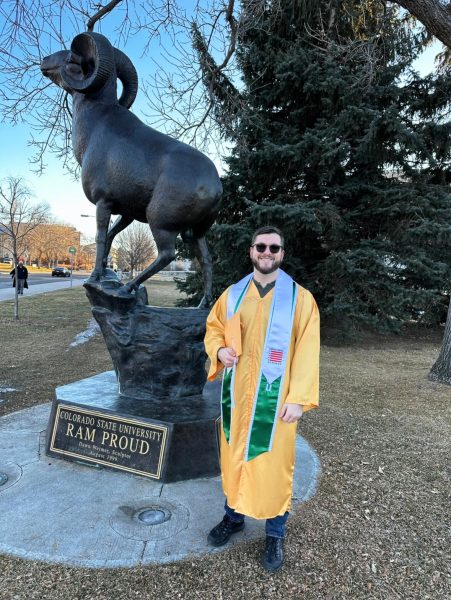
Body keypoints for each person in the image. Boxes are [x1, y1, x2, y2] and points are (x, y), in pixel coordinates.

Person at [204, 225, 320, 572]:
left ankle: (275, 532)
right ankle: (233, 517)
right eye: (261, 246)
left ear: (282, 254)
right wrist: (220, 350)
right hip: (237, 398)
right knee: (236, 456)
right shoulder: (232, 294)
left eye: (274, 248)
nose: (267, 253)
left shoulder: (300, 299)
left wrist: (298, 397)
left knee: (272, 465)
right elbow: (214, 329)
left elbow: (307, 350)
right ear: (251, 251)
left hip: (275, 399)